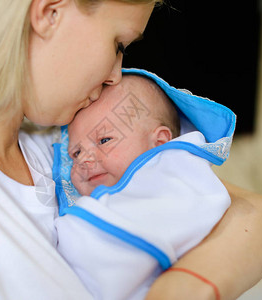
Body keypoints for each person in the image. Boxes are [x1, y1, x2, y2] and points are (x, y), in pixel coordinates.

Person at [0, 0, 262, 299]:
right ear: (49, 12)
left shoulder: (58, 150)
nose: (116, 75)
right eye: (119, 44)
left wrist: (188, 285)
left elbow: (254, 211)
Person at [53, 73, 231, 299]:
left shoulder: (177, 181)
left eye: (104, 140)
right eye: (76, 153)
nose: (85, 159)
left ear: (160, 142)